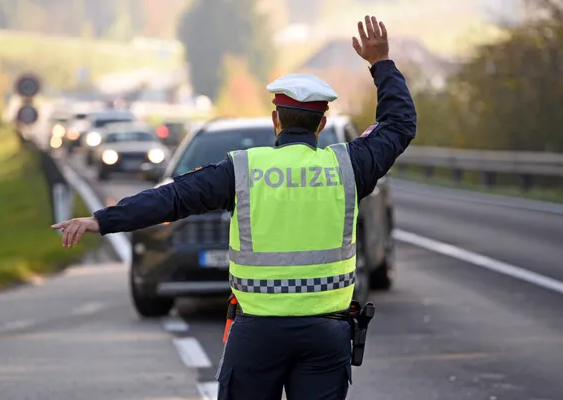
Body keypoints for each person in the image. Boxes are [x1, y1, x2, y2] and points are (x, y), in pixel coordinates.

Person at [52, 15, 416, 400]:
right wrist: (381, 63)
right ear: (322, 122)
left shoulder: (242, 169)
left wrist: (101, 220)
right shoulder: (347, 166)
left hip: (256, 335)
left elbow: (171, 198)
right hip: (325, 335)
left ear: (276, 120)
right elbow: (398, 124)